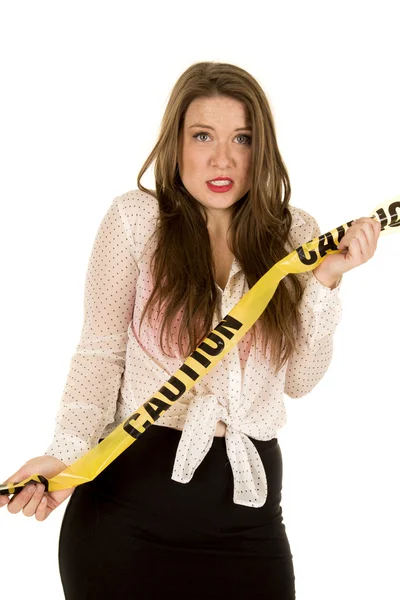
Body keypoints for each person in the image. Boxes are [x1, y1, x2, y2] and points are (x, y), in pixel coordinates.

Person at [0, 61, 381, 599]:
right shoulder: (136, 221)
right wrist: (64, 454)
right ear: (175, 144)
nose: (222, 158)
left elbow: (299, 380)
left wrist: (325, 283)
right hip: (125, 514)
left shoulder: (297, 234)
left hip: (248, 522)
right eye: (203, 136)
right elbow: (99, 353)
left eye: (241, 139)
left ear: (262, 149)